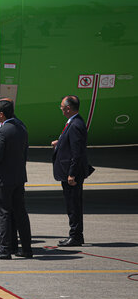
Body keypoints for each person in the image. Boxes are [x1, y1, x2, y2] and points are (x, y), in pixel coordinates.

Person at [0, 99, 32, 259]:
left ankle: (5, 249)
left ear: (1, 114)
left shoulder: (2, 131)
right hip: (18, 177)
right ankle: (26, 248)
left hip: (3, 178)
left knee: (3, 214)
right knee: (20, 213)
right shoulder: (21, 128)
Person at [52, 95, 92, 247]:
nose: (61, 108)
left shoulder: (75, 125)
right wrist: (60, 142)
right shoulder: (74, 122)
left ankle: (75, 236)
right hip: (69, 170)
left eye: (62, 106)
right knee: (71, 205)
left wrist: (72, 174)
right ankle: (74, 234)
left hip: (72, 173)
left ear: (68, 108)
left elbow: (77, 152)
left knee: (74, 205)